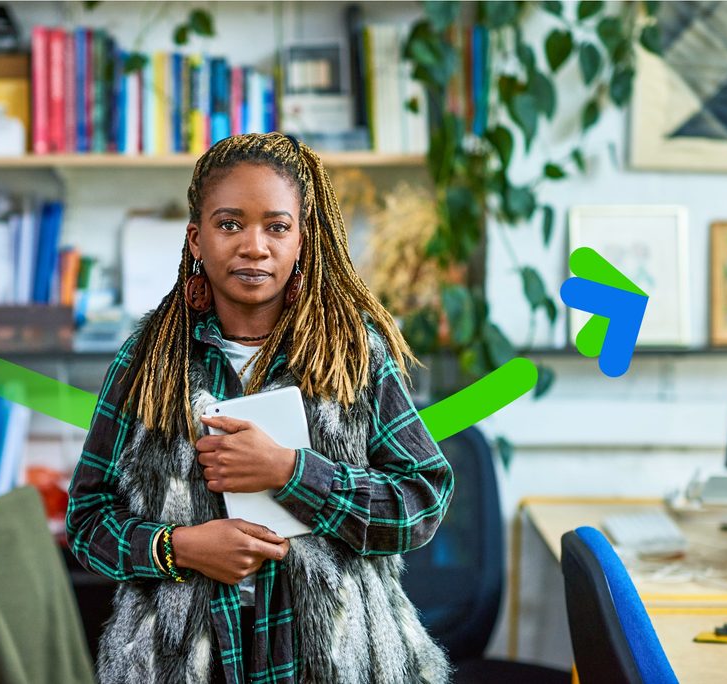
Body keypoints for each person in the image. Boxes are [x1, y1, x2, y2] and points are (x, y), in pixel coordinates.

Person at [66, 132, 455, 684]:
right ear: (196, 240)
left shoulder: (353, 354)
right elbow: (87, 519)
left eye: (277, 227)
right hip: (181, 663)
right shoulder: (148, 361)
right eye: (230, 225)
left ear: (302, 241)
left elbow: (422, 500)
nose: (254, 246)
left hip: (335, 662)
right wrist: (180, 548)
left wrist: (292, 472)